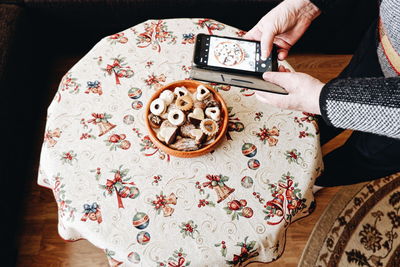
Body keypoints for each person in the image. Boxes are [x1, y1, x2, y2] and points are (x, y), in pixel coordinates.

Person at [244, 0, 400, 187]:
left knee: (365, 156)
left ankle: (317, 182)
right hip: (382, 42)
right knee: (341, 90)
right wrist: (307, 6)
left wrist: (321, 99)